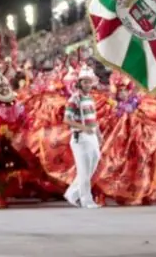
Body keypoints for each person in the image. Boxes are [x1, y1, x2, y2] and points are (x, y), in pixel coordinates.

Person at [63, 65, 102, 208]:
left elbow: (94, 118)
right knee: (84, 170)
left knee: (92, 167)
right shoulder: (75, 99)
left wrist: (98, 134)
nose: (87, 85)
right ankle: (86, 200)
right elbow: (66, 119)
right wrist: (83, 128)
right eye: (85, 82)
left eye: (89, 82)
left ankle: (72, 193)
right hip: (80, 137)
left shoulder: (90, 98)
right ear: (79, 83)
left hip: (92, 137)